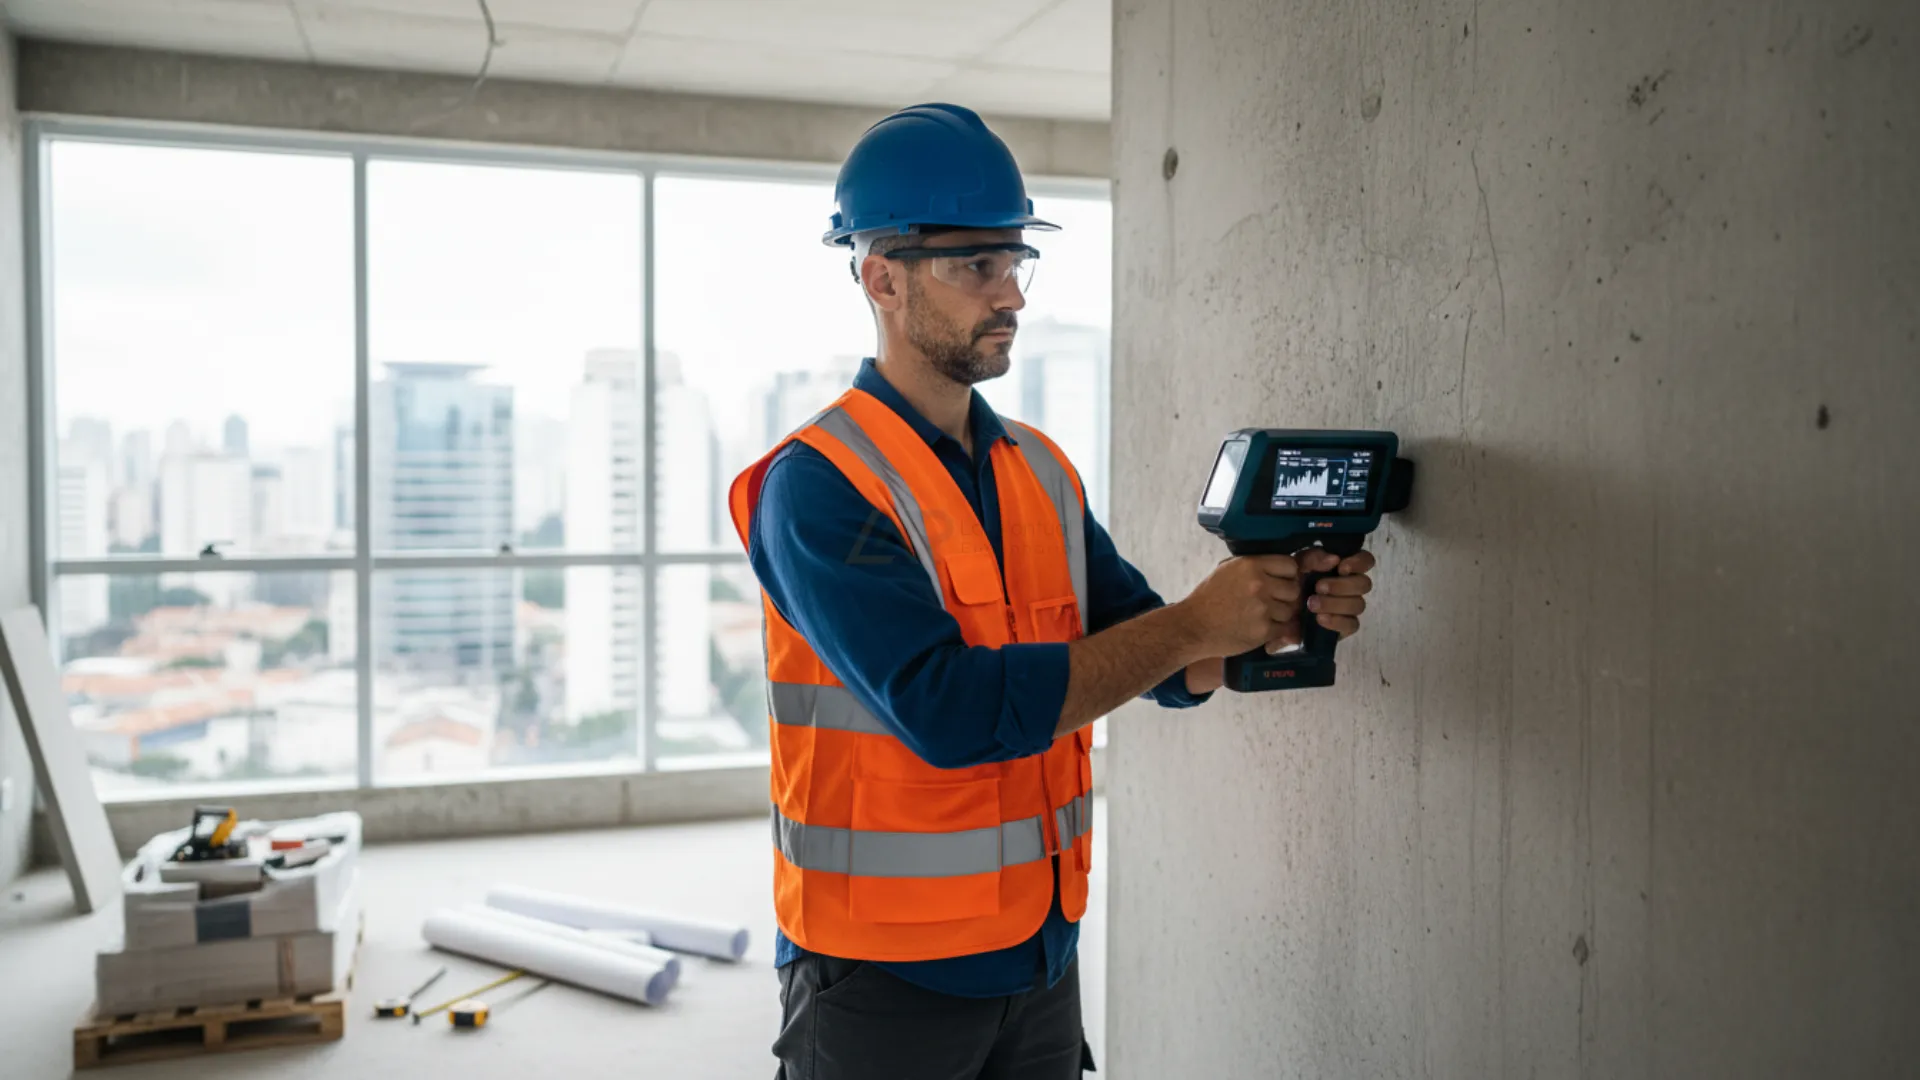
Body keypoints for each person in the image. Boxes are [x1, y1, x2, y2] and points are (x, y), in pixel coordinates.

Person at [728, 103, 1376, 1080]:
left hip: (1039, 950)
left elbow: (1157, 654)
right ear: (881, 277)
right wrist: (1193, 625)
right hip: (882, 977)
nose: (1010, 294)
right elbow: (951, 714)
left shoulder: (1039, 469)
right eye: (973, 266)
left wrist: (1268, 612)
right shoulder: (818, 485)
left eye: (1015, 260)